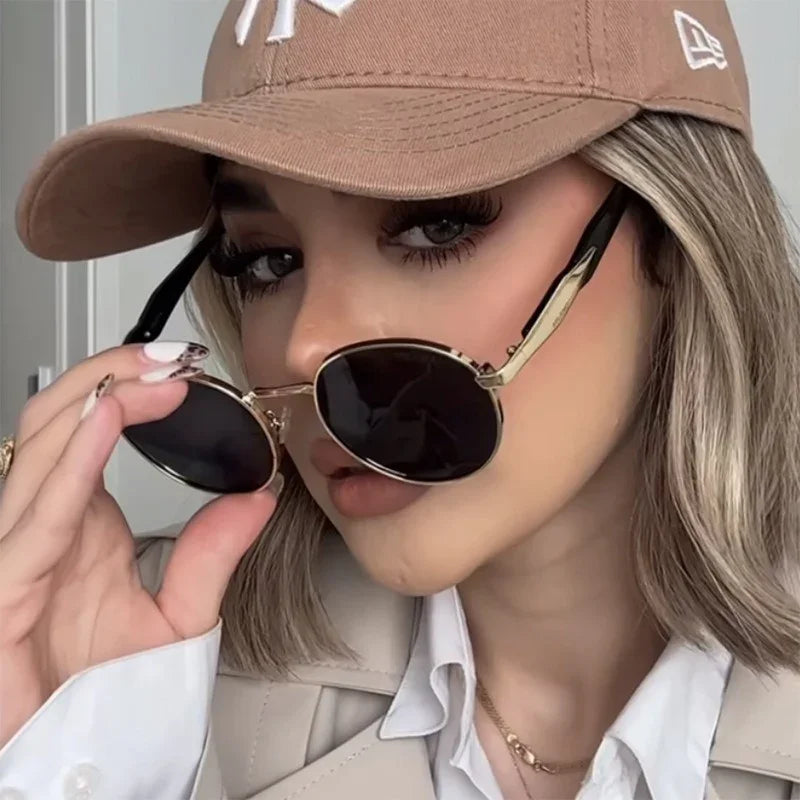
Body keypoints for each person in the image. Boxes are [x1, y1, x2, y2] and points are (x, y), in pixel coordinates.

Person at [1, 0, 800, 798]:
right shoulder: (130, 671)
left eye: (437, 229)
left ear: (676, 239)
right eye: (268, 260)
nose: (305, 344)